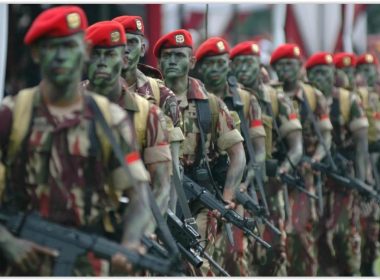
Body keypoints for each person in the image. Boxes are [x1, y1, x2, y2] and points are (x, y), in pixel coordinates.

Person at [0, 6, 151, 276]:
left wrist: (129, 243)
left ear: (83, 52)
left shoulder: (110, 120)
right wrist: (7, 242)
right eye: (51, 47)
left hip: (89, 262)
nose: (61, 56)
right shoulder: (12, 114)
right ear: (36, 54)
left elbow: (138, 194)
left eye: (69, 46)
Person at [153, 29, 246, 276]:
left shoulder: (211, 105)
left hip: (198, 205)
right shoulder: (148, 101)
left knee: (197, 267)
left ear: (192, 61)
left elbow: (238, 154)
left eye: (179, 55)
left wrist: (226, 198)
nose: (172, 61)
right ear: (159, 62)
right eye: (167, 56)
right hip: (158, 201)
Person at [83, 20, 172, 234]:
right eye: (95, 54)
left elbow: (161, 186)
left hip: (132, 223)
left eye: (110, 55)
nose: (102, 62)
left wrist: (141, 235)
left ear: (123, 60)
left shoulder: (148, 115)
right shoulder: (67, 108)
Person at [230, 40, 303, 276]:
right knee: (239, 252)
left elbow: (296, 147)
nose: (243, 69)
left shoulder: (276, 99)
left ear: (258, 65)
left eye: (249, 63)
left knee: (274, 249)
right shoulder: (226, 100)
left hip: (269, 186)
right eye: (238, 64)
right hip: (237, 185)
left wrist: (283, 169)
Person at [195, 37, 266, 276]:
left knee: (235, 256)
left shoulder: (246, 100)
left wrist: (241, 185)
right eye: (209, 64)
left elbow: (258, 153)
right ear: (200, 67)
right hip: (200, 188)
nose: (215, 69)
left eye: (221, 63)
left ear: (229, 64)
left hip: (235, 188)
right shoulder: (192, 100)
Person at [270, 43, 333, 276]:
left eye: (292, 64)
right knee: (275, 233)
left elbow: (325, 134)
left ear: (300, 67)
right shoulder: (269, 95)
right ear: (275, 68)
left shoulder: (312, 96)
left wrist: (314, 159)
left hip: (304, 172)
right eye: (282, 65)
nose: (287, 69)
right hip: (275, 171)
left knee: (301, 230)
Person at [112, 16, 184, 212]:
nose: (126, 48)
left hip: (146, 206)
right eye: (121, 42)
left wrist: (165, 221)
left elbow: (173, 170)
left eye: (133, 42)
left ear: (143, 49)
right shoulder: (87, 92)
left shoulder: (163, 97)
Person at [306, 52, 369, 276]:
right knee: (315, 235)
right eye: (316, 73)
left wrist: (362, 179)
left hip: (342, 178)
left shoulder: (347, 100)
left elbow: (361, 144)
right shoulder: (304, 99)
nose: (321, 78)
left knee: (344, 234)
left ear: (334, 74)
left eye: (326, 73)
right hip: (312, 178)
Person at [355, 53, 380, 276]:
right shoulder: (357, 98)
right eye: (364, 69)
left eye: (372, 69)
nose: (369, 73)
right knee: (369, 224)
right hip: (370, 165)